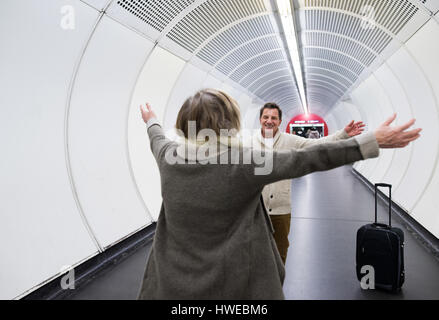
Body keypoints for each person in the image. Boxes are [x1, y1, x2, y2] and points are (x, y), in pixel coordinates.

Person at [137, 88, 420, 300]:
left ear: (184, 122)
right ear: (230, 122)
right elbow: (310, 158)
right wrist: (370, 142)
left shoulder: (168, 156)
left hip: (171, 284)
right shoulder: (246, 160)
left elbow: (156, 138)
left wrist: (151, 120)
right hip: (236, 283)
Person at [255, 102, 366, 264]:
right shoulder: (249, 141)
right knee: (255, 250)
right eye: (266, 117)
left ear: (280, 121)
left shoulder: (290, 140)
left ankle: (277, 286)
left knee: (280, 252)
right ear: (260, 119)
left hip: (281, 209)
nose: (269, 121)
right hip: (256, 210)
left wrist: (343, 134)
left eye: (273, 118)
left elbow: (317, 145)